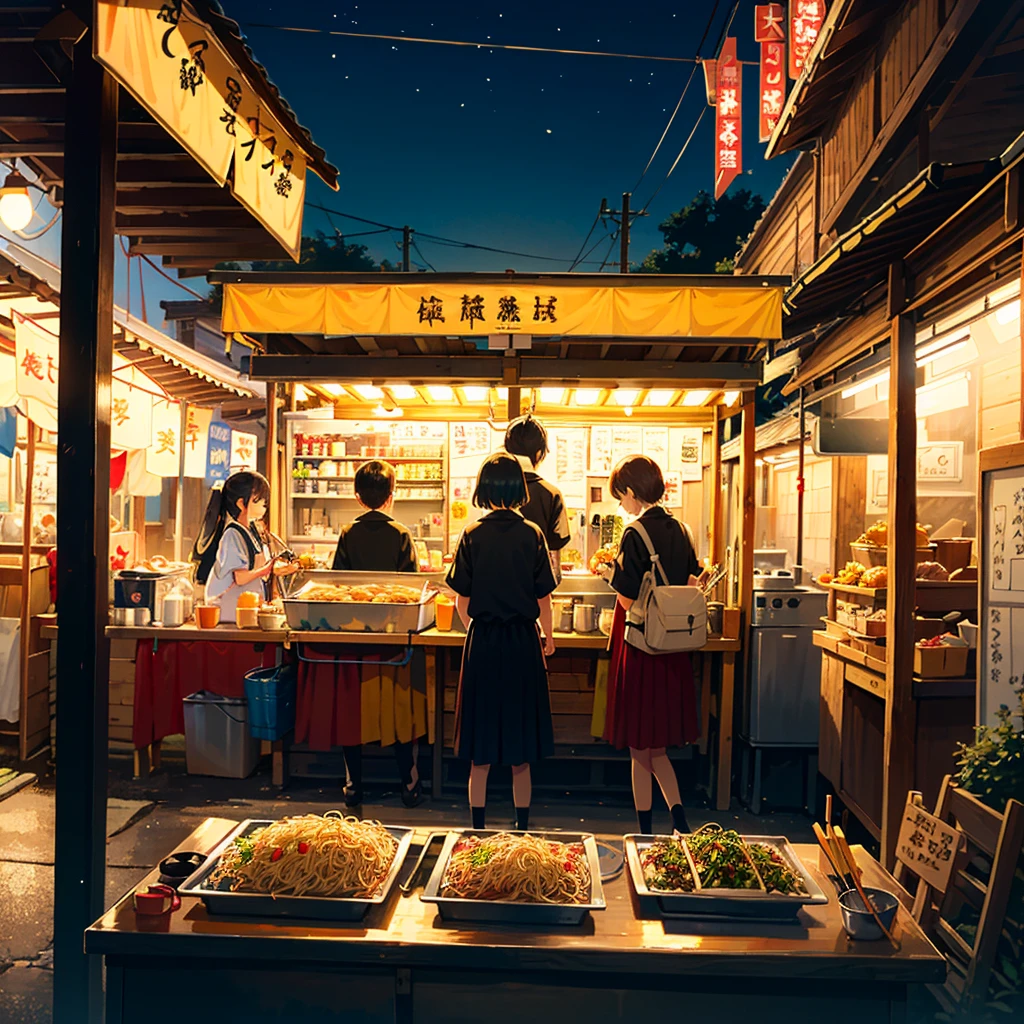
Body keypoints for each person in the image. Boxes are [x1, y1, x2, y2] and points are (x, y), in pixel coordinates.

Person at [447, 452, 557, 831]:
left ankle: (477, 829)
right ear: (519, 489)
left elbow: (462, 600)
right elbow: (544, 597)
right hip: (523, 642)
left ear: (484, 489)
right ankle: (521, 828)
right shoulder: (533, 533)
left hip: (484, 643)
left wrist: (474, 627)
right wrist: (549, 637)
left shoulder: (472, 534)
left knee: (479, 749)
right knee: (520, 750)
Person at [603, 455, 704, 836]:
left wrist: (609, 574)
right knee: (657, 745)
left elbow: (627, 601)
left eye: (620, 497)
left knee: (638, 746)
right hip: (674, 647)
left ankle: (644, 829)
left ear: (631, 492)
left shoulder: (634, 534)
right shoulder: (682, 529)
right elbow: (692, 582)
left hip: (642, 647)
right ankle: (678, 819)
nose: (621, 504)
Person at [332, 460, 423, 807]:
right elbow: (413, 586)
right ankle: (409, 783)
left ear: (357, 496)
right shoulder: (401, 533)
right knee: (398, 710)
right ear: (391, 495)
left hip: (355, 634)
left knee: (353, 712)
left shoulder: (347, 532)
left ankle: (354, 784)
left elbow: (338, 583)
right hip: (394, 635)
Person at [192, 471, 296, 623]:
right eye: (259, 501)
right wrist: (268, 569)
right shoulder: (232, 535)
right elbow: (240, 577)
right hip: (230, 612)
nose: (264, 506)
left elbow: (259, 567)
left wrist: (277, 569)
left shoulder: (251, 531)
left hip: (246, 609)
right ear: (241, 503)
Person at [504, 414, 571, 580]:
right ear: (539, 453)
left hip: (496, 588)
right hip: (535, 592)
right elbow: (555, 554)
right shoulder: (551, 494)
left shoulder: (491, 489)